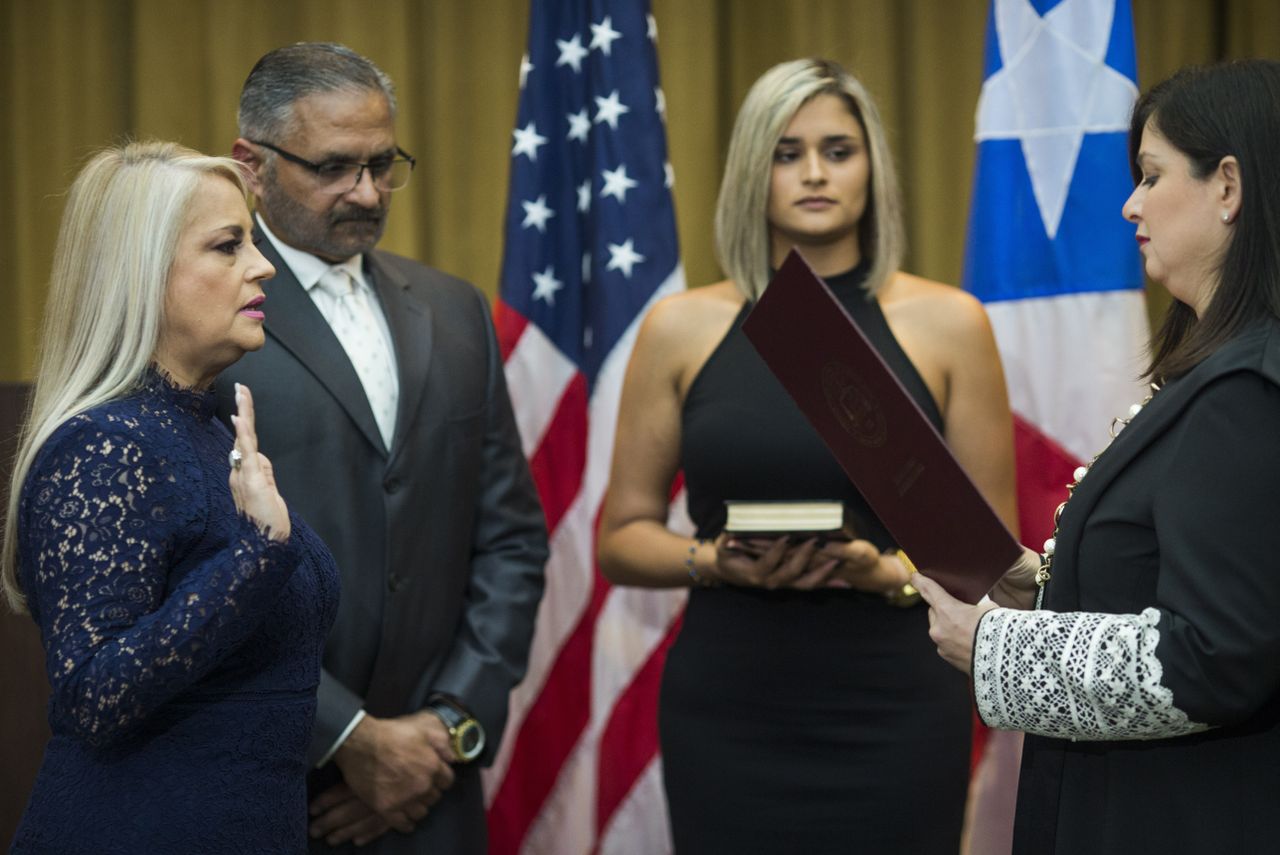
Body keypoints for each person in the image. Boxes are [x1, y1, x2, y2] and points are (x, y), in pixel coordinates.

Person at [597, 58, 1018, 853]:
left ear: (873, 167)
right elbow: (621, 537)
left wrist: (886, 571)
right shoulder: (680, 327)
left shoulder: (950, 322)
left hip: (898, 700)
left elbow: (994, 562)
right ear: (753, 169)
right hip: (729, 706)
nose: (815, 172)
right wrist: (715, 559)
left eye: (838, 149)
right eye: (786, 153)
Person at [915, 59, 1280, 855]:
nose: (1130, 204)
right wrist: (1044, 585)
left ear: (1228, 186)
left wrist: (995, 648)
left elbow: (1213, 657)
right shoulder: (1220, 370)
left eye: (1151, 176)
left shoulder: (1247, 387)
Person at [217, 42, 547, 853]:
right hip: (269, 789)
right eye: (333, 167)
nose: (365, 193)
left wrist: (440, 733)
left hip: (437, 795)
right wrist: (351, 738)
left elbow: (510, 539)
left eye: (382, 164)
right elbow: (193, 563)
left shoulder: (455, 310)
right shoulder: (201, 316)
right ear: (251, 165)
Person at [1, 141, 339, 853]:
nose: (264, 264)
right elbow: (91, 695)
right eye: (228, 244)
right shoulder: (106, 442)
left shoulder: (206, 425)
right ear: (145, 274)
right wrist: (258, 554)